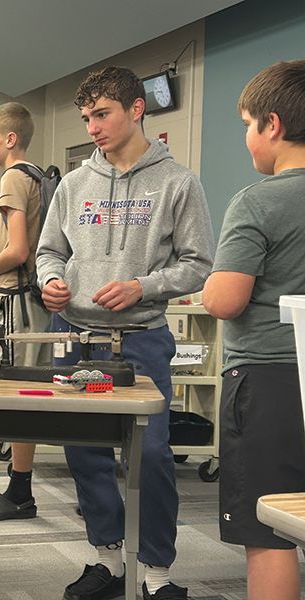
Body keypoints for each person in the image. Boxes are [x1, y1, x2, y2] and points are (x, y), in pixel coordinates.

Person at [36, 67, 214, 600]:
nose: (92, 127)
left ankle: (158, 572)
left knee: (153, 455)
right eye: (86, 117)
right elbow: (50, 252)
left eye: (102, 114)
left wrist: (143, 286)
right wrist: (49, 281)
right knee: (84, 452)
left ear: (137, 109)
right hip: (74, 335)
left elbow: (199, 264)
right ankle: (107, 559)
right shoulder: (73, 185)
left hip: (141, 339)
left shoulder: (179, 182)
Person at [202, 60, 305, 600]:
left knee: (271, 529)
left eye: (246, 125)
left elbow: (225, 299)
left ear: (272, 125)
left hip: (270, 381)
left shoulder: (257, 201)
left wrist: (206, 287)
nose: (246, 138)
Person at [0, 101, 51, 522]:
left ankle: (20, 491)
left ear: (10, 139)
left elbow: (17, 250)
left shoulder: (14, 178)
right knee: (28, 391)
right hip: (33, 299)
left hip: (17, 297)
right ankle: (20, 485)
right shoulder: (36, 175)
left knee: (19, 393)